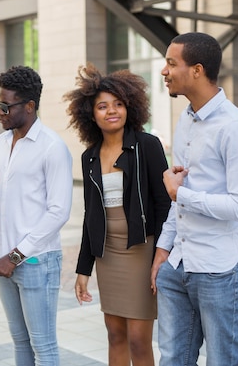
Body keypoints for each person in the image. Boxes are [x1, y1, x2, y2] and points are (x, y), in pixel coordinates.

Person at [150, 32, 238, 366]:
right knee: (172, 359)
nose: (164, 71)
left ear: (197, 70)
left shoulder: (235, 126)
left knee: (223, 361)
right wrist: (163, 249)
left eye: (172, 63)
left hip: (220, 269)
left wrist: (181, 193)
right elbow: (178, 195)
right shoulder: (185, 119)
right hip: (178, 265)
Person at [64, 63, 171, 366]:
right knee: (114, 334)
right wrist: (83, 269)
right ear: (90, 114)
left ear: (129, 107)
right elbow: (90, 216)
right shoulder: (89, 157)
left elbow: (164, 206)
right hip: (107, 254)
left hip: (142, 250)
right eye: (102, 106)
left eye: (118, 104)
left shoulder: (146, 146)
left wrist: (161, 254)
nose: (112, 111)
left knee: (139, 338)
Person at [0, 65, 73, 366]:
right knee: (20, 344)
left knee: (44, 348)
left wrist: (15, 256)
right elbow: (4, 202)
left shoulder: (52, 147)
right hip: (6, 259)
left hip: (36, 261)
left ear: (29, 106)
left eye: (6, 105)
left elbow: (59, 212)